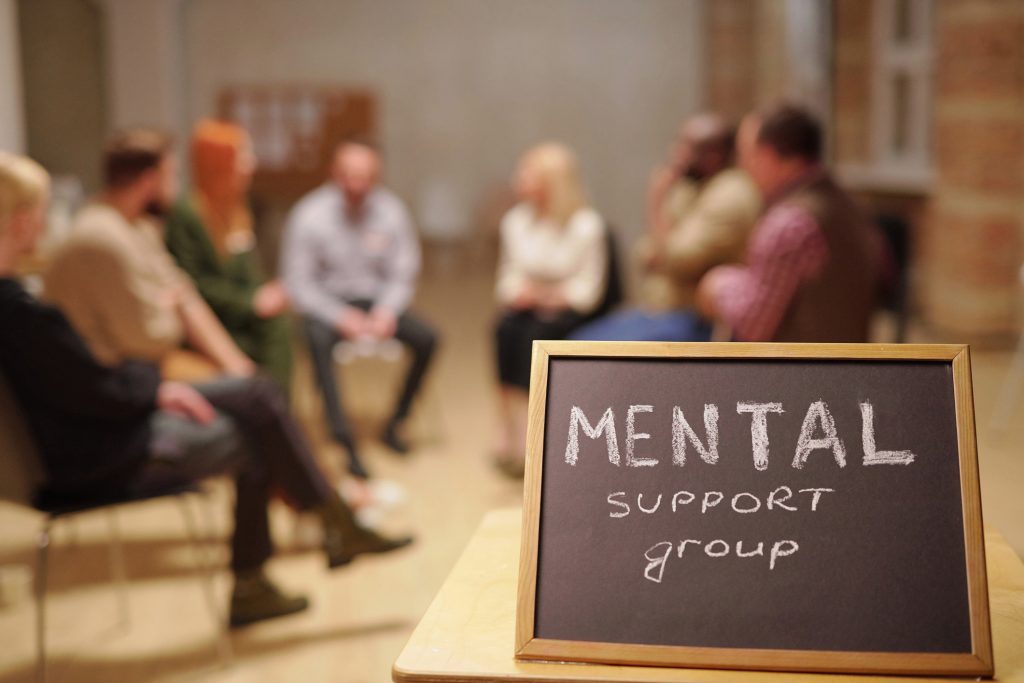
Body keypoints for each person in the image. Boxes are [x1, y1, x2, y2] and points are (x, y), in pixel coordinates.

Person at [0, 152, 412, 627]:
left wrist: (154, 386)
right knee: (257, 428)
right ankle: (307, 542)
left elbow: (85, 380)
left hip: (98, 429)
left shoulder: (19, 307)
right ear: (24, 221)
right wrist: (154, 387)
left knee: (256, 395)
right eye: (43, 212)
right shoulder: (22, 313)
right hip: (102, 453)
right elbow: (95, 381)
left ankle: (325, 527)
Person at [44, 128, 257, 381]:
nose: (177, 186)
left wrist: (237, 365)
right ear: (149, 181)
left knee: (253, 384)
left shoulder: (139, 228)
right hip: (107, 380)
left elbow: (184, 295)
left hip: (138, 372)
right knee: (255, 393)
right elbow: (149, 339)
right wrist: (170, 307)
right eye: (173, 175)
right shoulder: (101, 237)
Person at [282, 140, 438, 477]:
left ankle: (395, 423)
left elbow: (404, 272)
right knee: (316, 341)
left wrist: (387, 311)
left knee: (429, 338)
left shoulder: (392, 211)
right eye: (349, 176)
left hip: (377, 301)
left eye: (365, 177)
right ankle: (343, 439)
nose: (357, 186)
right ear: (333, 174)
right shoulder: (309, 215)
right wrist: (339, 316)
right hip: (329, 304)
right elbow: (299, 283)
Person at [696, 104, 883, 342]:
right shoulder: (852, 206)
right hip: (854, 359)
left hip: (801, 363)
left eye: (746, 155)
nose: (743, 167)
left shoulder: (788, 223)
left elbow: (753, 326)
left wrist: (719, 285)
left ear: (768, 155)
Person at [571, 113, 760, 341]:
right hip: (658, 312)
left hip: (695, 318)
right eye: (679, 143)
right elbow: (646, 254)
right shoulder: (688, 188)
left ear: (714, 155)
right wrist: (663, 249)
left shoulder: (731, 195)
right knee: (577, 341)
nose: (676, 153)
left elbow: (679, 259)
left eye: (688, 147)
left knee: (590, 349)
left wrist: (655, 202)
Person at [493, 143, 607, 476]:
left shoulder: (586, 224)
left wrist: (546, 295)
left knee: (536, 336)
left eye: (526, 175)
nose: (518, 181)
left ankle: (535, 429)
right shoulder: (516, 221)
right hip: (529, 305)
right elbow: (507, 279)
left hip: (569, 311)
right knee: (504, 329)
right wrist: (523, 294)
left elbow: (588, 290)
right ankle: (508, 422)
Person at [164, 120, 293, 394]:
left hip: (242, 316)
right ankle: (269, 406)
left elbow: (247, 272)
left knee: (278, 324)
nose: (251, 164)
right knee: (271, 334)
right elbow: (193, 284)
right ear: (219, 163)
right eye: (243, 155)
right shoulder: (188, 215)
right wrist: (251, 301)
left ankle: (276, 407)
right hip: (213, 321)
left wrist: (266, 293)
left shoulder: (238, 209)